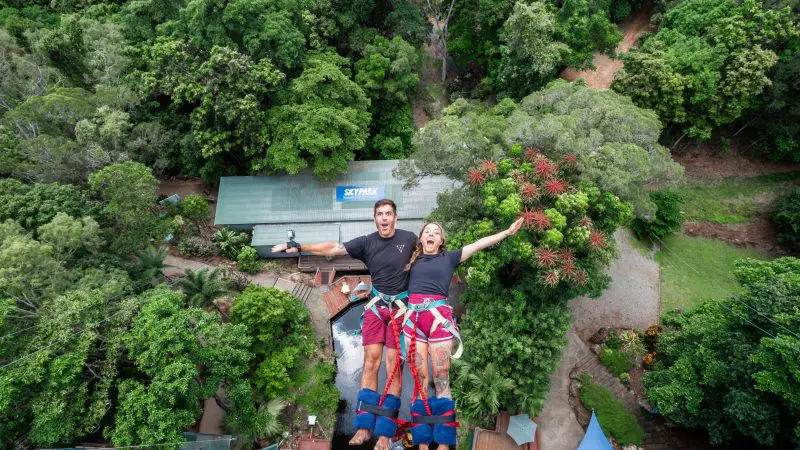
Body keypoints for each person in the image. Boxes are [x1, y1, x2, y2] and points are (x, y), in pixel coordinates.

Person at [271, 199, 417, 450]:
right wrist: (299, 245)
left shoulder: (410, 238)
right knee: (370, 362)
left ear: (396, 217)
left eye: (388, 214)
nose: (384, 218)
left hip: (400, 310)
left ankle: (385, 432)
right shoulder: (367, 242)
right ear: (375, 218)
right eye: (379, 214)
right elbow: (334, 248)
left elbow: (432, 250)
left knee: (394, 366)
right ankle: (363, 426)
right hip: (376, 306)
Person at [404, 218, 523, 450]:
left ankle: (444, 443)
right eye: (426, 231)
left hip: (438, 320)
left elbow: (479, 244)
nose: (430, 234)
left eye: (435, 232)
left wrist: (507, 232)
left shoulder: (449, 258)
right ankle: (422, 441)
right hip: (415, 320)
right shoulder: (412, 259)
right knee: (419, 379)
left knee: (441, 377)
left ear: (441, 241)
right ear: (421, 239)